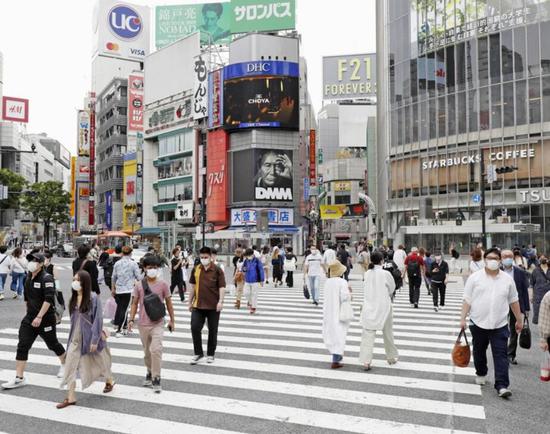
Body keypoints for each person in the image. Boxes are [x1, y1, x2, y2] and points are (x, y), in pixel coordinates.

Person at [459, 248, 524, 398]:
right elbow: (467, 300)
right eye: (489, 258)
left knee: (501, 354)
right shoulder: (475, 278)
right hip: (478, 322)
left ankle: (502, 385)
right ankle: (481, 372)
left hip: (499, 324)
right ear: (485, 260)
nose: (492, 261)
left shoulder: (507, 280)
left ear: (500, 260)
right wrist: (462, 319)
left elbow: (514, 300)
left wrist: (519, 320)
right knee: (479, 351)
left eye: (495, 258)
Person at [2, 253, 66, 390]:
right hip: (30, 318)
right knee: (22, 345)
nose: (32, 262)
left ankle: (65, 365)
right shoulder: (28, 277)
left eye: (36, 261)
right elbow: (26, 298)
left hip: (46, 318)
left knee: (52, 343)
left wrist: (39, 317)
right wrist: (30, 314)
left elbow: (48, 299)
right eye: (30, 260)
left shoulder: (47, 278)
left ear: (42, 264)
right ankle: (19, 378)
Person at [57, 270, 115, 408]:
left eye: (78, 280)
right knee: (70, 365)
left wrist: (95, 340)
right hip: (75, 339)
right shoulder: (73, 298)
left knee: (101, 361)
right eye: (74, 279)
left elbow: (98, 320)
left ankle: (109, 379)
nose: (75, 282)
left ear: (85, 282)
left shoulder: (93, 298)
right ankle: (70, 397)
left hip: (90, 337)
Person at [128, 255, 174, 393]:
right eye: (150, 268)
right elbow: (134, 303)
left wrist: (172, 320)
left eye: (155, 267)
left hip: (158, 323)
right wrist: (131, 319)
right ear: (145, 269)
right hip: (143, 324)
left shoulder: (163, 284)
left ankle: (156, 377)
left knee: (156, 350)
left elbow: (169, 303)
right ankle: (149, 371)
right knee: (147, 353)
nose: (152, 270)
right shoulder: (139, 285)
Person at [359, 252, 398, 371]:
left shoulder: (367, 273)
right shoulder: (386, 273)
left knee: (368, 334)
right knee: (387, 333)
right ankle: (391, 357)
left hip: (369, 306)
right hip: (384, 306)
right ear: (382, 261)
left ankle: (366, 361)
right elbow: (392, 288)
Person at [189, 247, 225, 364]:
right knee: (195, 327)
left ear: (211, 257)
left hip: (213, 306)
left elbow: (222, 287)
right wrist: (189, 302)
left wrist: (220, 301)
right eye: (202, 257)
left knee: (213, 330)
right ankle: (198, 353)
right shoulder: (196, 269)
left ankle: (211, 354)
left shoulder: (217, 270)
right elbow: (193, 287)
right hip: (198, 305)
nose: (204, 259)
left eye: (206, 257)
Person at [501, 250, 530, 365]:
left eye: (509, 256)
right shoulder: (497, 271)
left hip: (516, 304)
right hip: (501, 304)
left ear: (513, 258)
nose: (507, 258)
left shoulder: (520, 272)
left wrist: (526, 308)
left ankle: (511, 354)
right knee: (500, 329)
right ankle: (501, 353)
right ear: (501, 258)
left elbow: (524, 291)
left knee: (514, 329)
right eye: (505, 256)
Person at [322, 261, 352, 369]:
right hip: (339, 311)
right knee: (340, 333)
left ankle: (337, 357)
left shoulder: (328, 282)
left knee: (331, 333)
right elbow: (345, 297)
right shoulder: (342, 282)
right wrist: (350, 292)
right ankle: (336, 360)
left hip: (328, 311)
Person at [111, 245, 142, 337]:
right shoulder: (133, 264)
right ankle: (120, 329)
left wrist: (113, 289)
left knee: (121, 308)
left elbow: (113, 277)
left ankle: (123, 327)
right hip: (128, 289)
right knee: (124, 310)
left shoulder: (117, 263)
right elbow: (139, 277)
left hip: (118, 289)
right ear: (131, 253)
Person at [242, 248, 264, 314]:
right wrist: (244, 269)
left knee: (254, 294)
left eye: (248, 255)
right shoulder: (246, 261)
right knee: (246, 293)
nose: (247, 257)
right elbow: (243, 268)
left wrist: (262, 280)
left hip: (256, 280)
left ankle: (253, 308)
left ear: (252, 254)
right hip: (247, 279)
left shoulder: (257, 261)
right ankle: (250, 302)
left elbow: (261, 270)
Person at [530, 255, 550, 324]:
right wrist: (531, 296)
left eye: (545, 257)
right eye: (541, 258)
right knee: (539, 318)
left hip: (549, 297)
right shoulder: (535, 271)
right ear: (539, 259)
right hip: (538, 297)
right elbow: (531, 284)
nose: (543, 259)